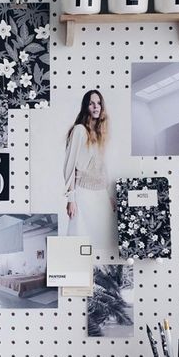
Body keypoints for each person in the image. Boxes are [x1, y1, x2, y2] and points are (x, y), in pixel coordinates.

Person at [64, 90, 116, 249]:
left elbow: (102, 166)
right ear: (86, 106)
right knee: (82, 241)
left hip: (100, 193)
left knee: (103, 240)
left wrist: (108, 194)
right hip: (83, 192)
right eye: (92, 103)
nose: (96, 106)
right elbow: (69, 166)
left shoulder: (100, 132)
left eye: (99, 103)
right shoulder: (79, 130)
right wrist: (71, 199)